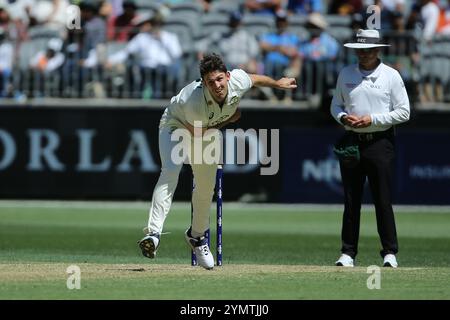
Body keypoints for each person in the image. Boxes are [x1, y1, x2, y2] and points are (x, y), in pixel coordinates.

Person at [138, 53, 297, 269]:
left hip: (204, 130)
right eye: (211, 82)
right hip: (176, 125)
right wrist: (230, 119)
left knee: (205, 187)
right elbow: (197, 132)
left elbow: (255, 78)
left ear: (228, 76)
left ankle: (197, 237)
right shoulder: (194, 100)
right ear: (204, 83)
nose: (217, 85)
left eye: (220, 79)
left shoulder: (238, 80)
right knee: (171, 170)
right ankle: (153, 234)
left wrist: (277, 84)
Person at [330, 29, 410, 268]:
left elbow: (404, 112)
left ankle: (389, 252)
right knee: (351, 199)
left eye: (369, 50)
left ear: (378, 51)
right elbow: (336, 104)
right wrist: (343, 117)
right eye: (360, 50)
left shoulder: (391, 76)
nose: (364, 54)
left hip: (380, 142)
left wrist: (372, 120)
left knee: (382, 199)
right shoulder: (346, 73)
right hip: (353, 142)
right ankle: (347, 253)